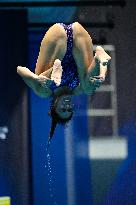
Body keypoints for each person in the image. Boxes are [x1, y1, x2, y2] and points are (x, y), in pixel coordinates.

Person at [17, 22, 111, 142]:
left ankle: (54, 69)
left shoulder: (45, 92)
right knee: (88, 89)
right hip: (79, 36)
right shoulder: (77, 89)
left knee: (42, 85)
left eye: (62, 109)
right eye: (69, 109)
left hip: (58, 37)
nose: (67, 106)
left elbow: (19, 69)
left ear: (53, 107)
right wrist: (102, 74)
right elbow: (93, 80)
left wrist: (36, 78)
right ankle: (99, 57)